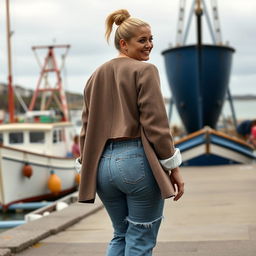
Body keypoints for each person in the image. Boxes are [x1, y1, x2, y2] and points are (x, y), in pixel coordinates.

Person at [78, 9, 184, 256]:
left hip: (102, 167)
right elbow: (156, 125)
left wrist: (85, 166)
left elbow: (86, 127)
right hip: (136, 163)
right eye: (142, 40)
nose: (149, 45)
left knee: (121, 234)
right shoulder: (145, 71)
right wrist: (174, 167)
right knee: (141, 238)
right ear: (123, 44)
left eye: (150, 39)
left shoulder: (95, 76)